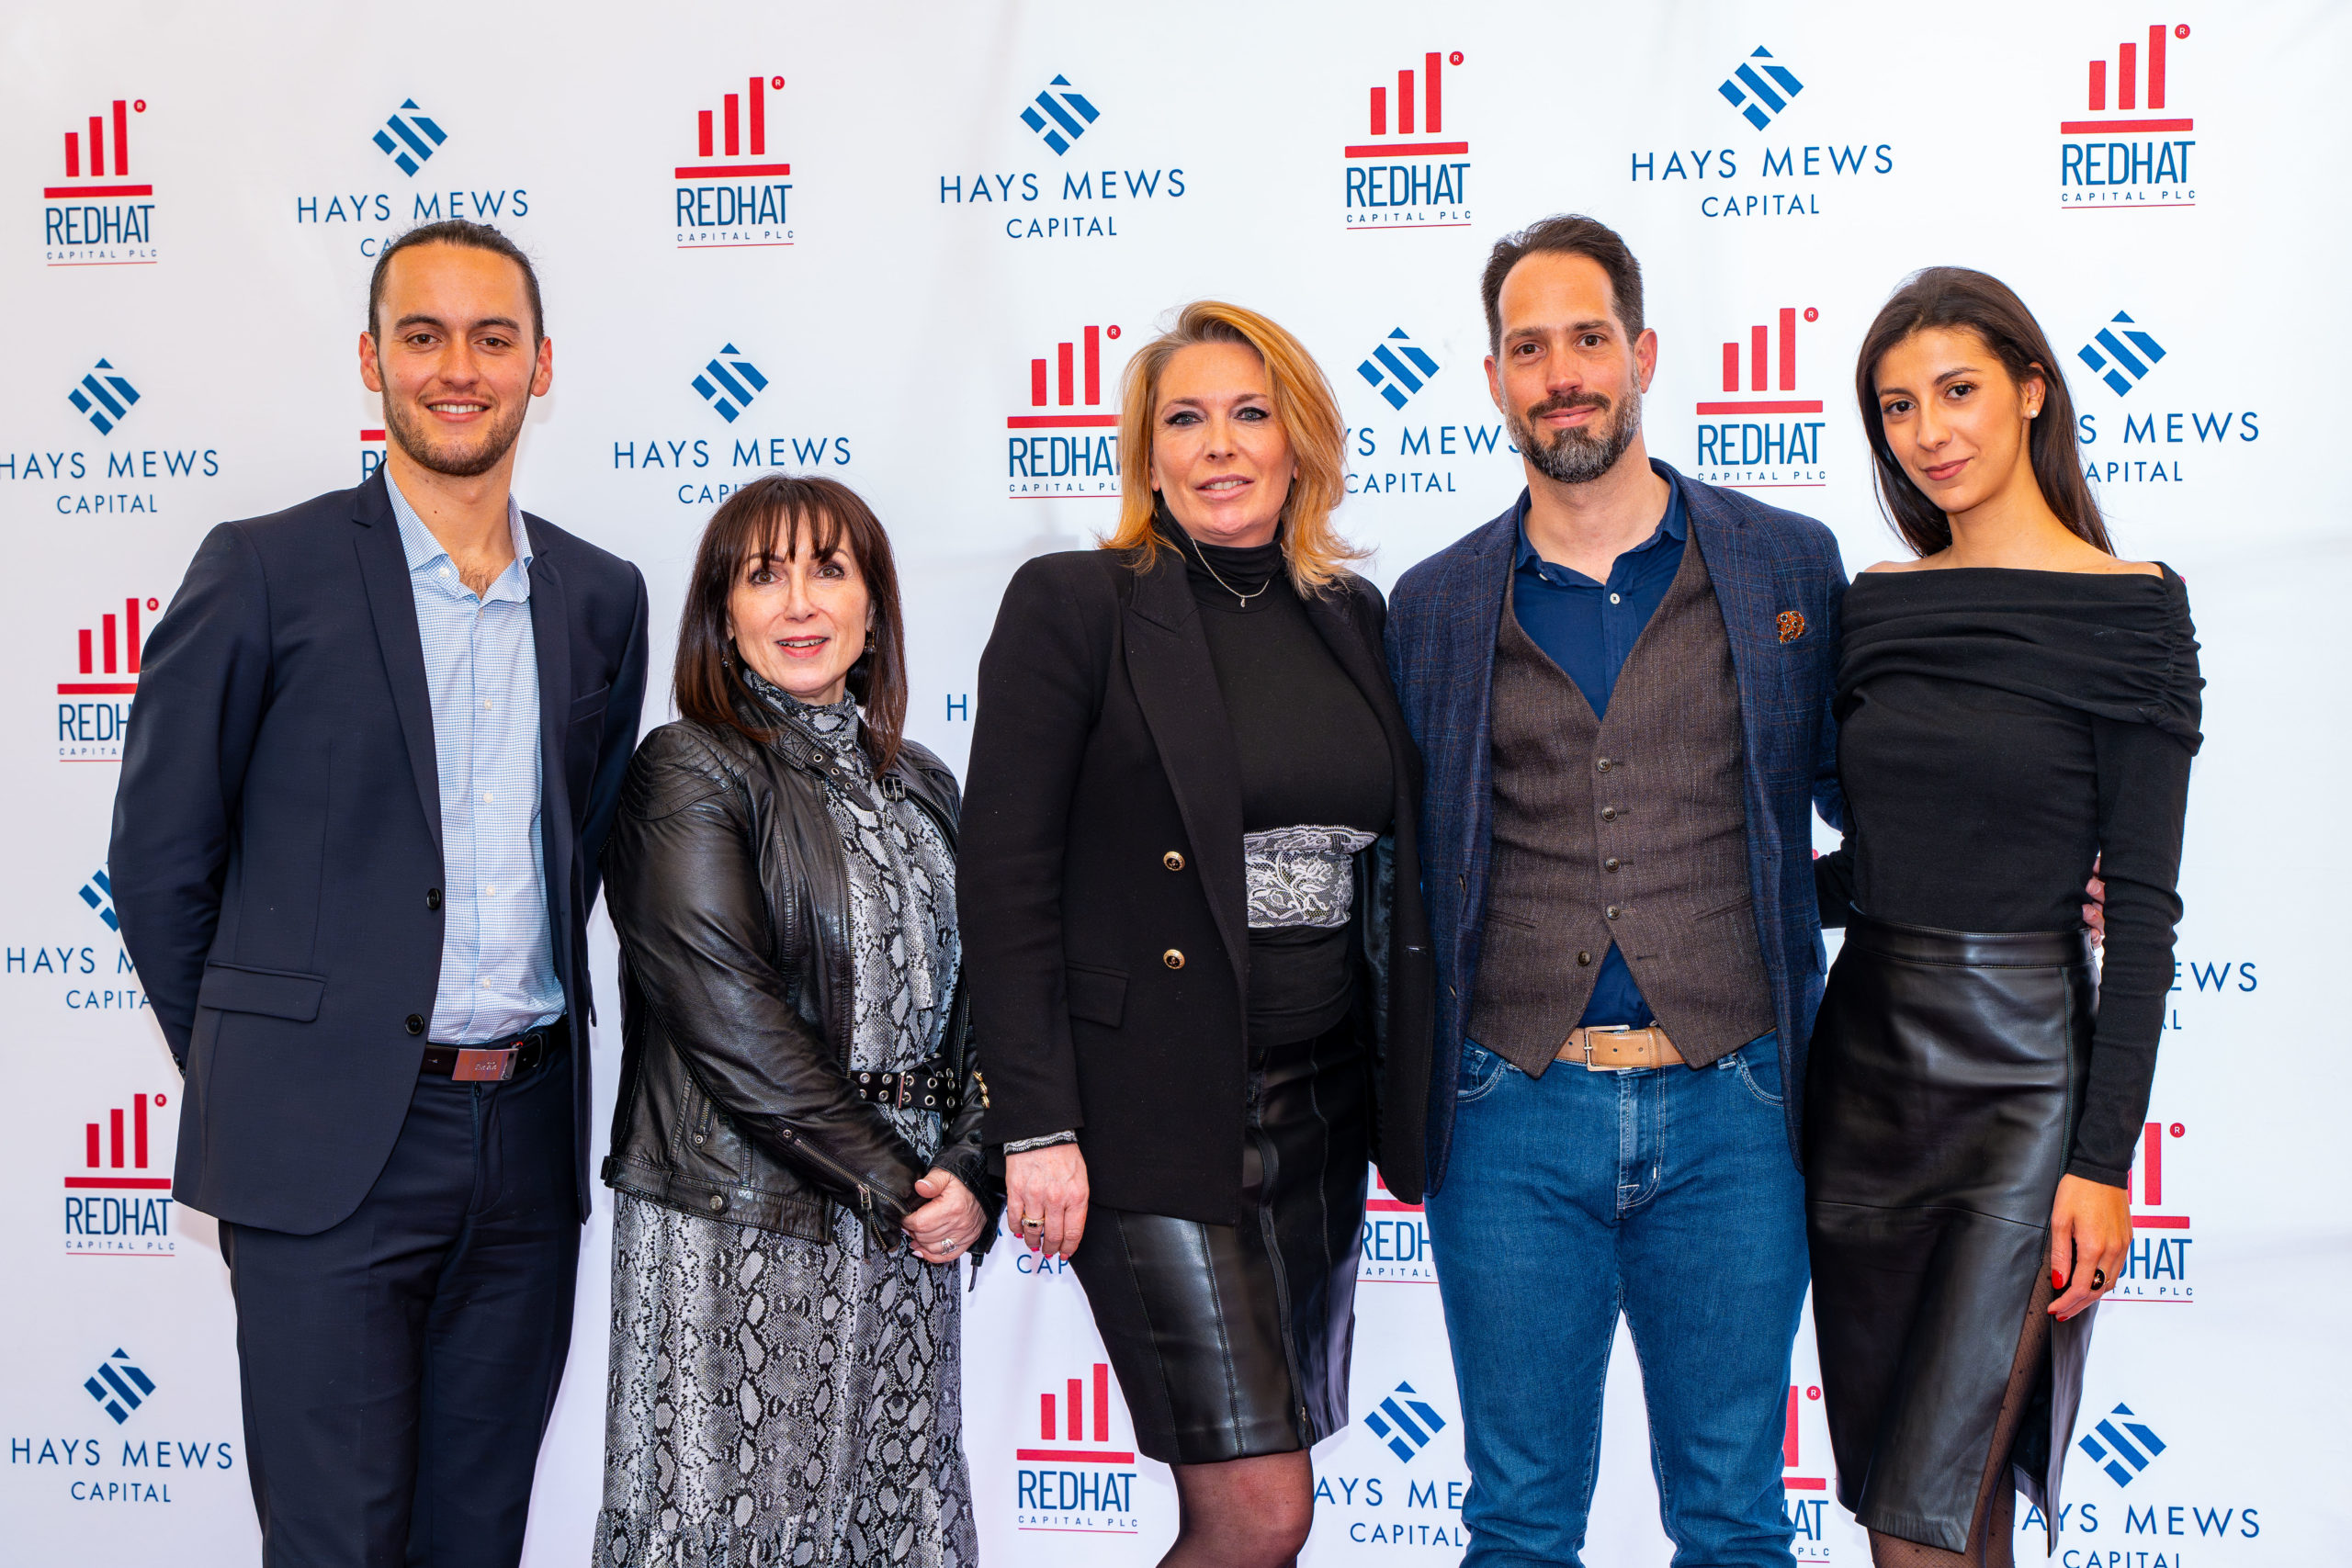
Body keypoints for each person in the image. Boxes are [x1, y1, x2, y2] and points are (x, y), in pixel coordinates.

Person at [109, 220, 649, 1566]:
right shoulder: (261, 571)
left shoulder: (600, 597)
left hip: (524, 1149)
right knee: (334, 1544)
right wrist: (277, 1062)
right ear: (372, 360)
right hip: (323, 1151)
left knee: (478, 1538)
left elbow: (582, 845)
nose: (458, 368)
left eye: (492, 338)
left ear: (541, 368)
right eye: (424, 336)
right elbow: (162, 864)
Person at [1385, 214, 1846, 1567]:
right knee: (1518, 1521)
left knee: (1735, 1516)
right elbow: (1394, 864)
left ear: (1642, 354)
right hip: (1507, 1111)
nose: (1562, 374)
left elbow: (1869, 797)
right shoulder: (1432, 605)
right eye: (1529, 348)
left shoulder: (1785, 564)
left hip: (1740, 1104)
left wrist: (2049, 869)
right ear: (1493, 380)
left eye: (1587, 338)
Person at [962, 300, 1432, 1568]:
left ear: (1299, 440)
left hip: (1319, 1112)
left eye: (1248, 413)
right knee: (1257, 1510)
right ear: (1148, 453)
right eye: (1184, 418)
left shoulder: (1352, 614)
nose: (1219, 445)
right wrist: (1036, 1125)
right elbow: (1004, 882)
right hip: (1151, 1113)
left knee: (1277, 1496)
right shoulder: (1078, 604)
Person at [1807, 268, 2200, 1568]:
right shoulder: (1876, 602)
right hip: (1863, 1083)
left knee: (1926, 1517)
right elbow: (1881, 864)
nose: (1929, 432)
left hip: (2026, 1089)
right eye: (1897, 406)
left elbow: (2141, 915)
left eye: (1959, 390)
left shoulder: (2132, 606)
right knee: (1928, 1511)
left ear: (2032, 390)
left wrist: (2103, 1163)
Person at [594, 475, 997, 1566]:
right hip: (741, 1219)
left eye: (829, 569)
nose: (800, 602)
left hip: (911, 1227)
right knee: (732, 1526)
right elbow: (727, 1017)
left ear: (874, 608)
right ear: (723, 617)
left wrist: (971, 1168)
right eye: (763, 577)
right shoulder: (688, 766)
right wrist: (904, 1188)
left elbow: (991, 1002)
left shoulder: (925, 783)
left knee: (888, 1518)